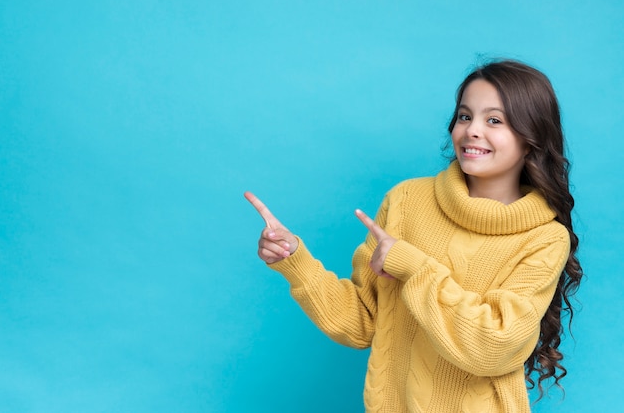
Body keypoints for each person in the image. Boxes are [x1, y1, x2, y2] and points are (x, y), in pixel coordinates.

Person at [244, 59, 583, 413]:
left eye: (494, 120)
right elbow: (363, 322)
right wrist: (295, 261)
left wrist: (414, 268)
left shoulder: (543, 238)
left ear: (530, 140)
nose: (472, 131)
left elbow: (493, 347)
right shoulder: (407, 202)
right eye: (465, 116)